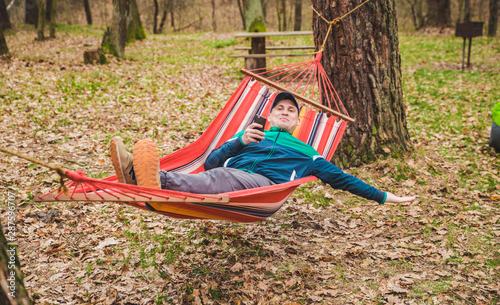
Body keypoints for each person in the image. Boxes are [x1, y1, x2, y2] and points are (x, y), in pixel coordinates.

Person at [110, 92, 416, 204]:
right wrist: (238, 142)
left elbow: (343, 179)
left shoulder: (308, 153)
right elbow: (210, 162)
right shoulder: (253, 134)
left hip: (262, 191)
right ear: (269, 116)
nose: (284, 111)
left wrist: (384, 196)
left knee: (223, 179)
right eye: (279, 108)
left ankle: (147, 176)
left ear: (297, 121)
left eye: (290, 110)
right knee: (218, 175)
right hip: (224, 176)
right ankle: (138, 174)